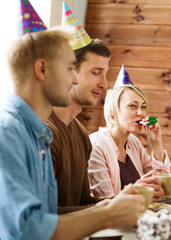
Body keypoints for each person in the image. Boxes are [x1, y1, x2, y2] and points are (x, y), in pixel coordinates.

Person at [0, 26, 144, 240]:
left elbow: (49, 215)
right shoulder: (8, 132)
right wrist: (108, 214)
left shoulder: (38, 133)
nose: (74, 80)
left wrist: (111, 206)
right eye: (69, 68)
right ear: (42, 69)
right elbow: (29, 229)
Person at [45, 4, 111, 213]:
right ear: (69, 71)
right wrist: (111, 210)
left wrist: (124, 202)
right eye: (95, 72)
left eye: (105, 73)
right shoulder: (42, 131)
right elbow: (45, 216)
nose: (104, 84)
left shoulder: (82, 135)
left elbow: (82, 200)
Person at [88, 76, 171, 201]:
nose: (141, 113)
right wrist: (137, 191)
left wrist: (156, 144)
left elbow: (164, 186)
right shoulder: (96, 145)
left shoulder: (133, 142)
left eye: (143, 107)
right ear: (113, 111)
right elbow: (105, 203)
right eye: (132, 106)